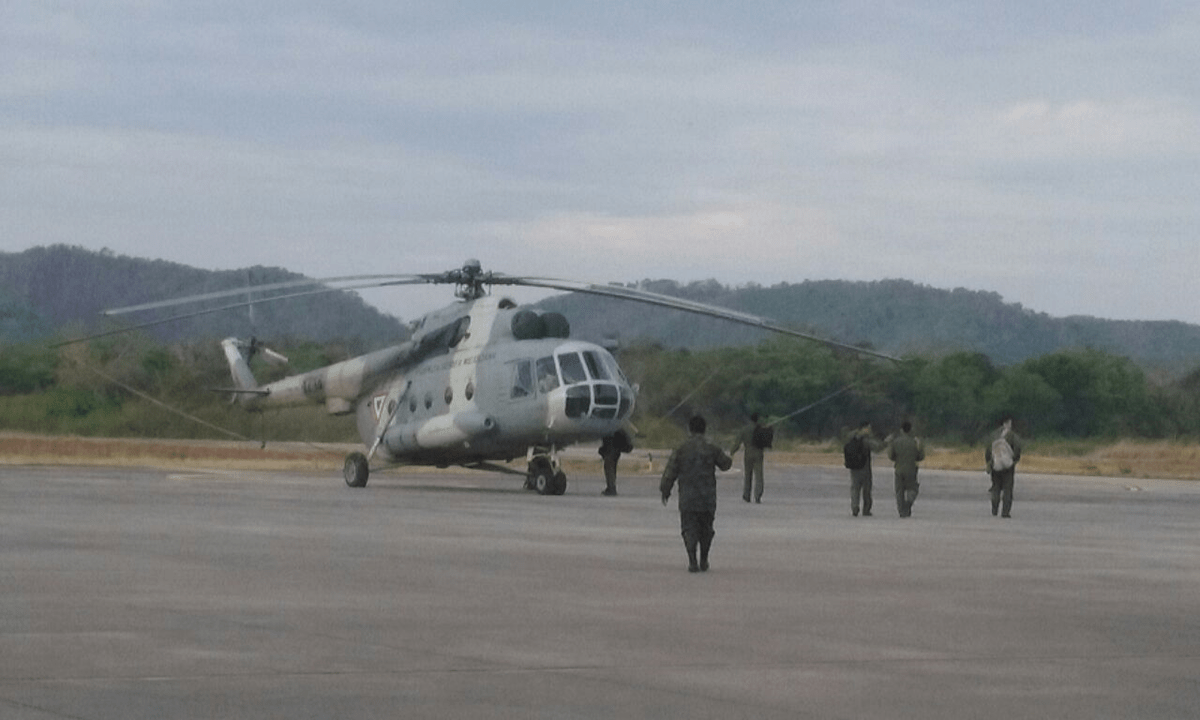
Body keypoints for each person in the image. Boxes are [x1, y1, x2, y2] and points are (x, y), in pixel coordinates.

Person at [661, 414, 733, 572]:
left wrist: (665, 490)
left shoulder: (681, 449)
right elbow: (725, 464)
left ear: (690, 429)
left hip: (688, 497)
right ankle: (704, 559)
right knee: (706, 528)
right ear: (704, 429)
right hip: (707, 497)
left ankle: (692, 560)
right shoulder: (712, 448)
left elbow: (670, 472)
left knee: (689, 528)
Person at [843, 420, 884, 517]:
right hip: (865, 467)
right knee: (866, 489)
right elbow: (878, 448)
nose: (870, 430)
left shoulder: (851, 437)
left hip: (853, 467)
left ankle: (855, 507)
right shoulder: (866, 440)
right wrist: (886, 442)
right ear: (865, 428)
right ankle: (866, 509)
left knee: (855, 488)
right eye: (869, 428)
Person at [985, 415, 1022, 518]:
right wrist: (1014, 460)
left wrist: (989, 462)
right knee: (1007, 489)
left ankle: (994, 509)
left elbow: (988, 450)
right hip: (1007, 467)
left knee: (996, 487)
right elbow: (1017, 448)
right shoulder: (1012, 436)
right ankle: (1005, 512)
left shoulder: (993, 435)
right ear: (1008, 423)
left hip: (995, 466)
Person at [888, 420, 925, 518]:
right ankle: (908, 503)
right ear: (910, 430)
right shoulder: (914, 442)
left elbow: (891, 456)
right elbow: (920, 457)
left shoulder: (895, 442)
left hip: (899, 469)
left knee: (899, 491)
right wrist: (920, 446)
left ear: (901, 430)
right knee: (913, 489)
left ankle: (902, 511)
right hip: (911, 470)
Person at [730, 412, 768, 503]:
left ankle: (747, 495)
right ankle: (758, 495)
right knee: (759, 476)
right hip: (758, 454)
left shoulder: (745, 429)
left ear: (750, 419)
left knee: (748, 476)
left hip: (748, 454)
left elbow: (737, 443)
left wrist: (732, 451)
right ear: (757, 419)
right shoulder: (761, 428)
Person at [598, 428, 633, 496]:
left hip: (611, 454)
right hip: (613, 453)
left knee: (610, 471)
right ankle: (611, 488)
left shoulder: (610, 432)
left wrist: (604, 451)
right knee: (611, 471)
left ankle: (611, 488)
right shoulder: (614, 429)